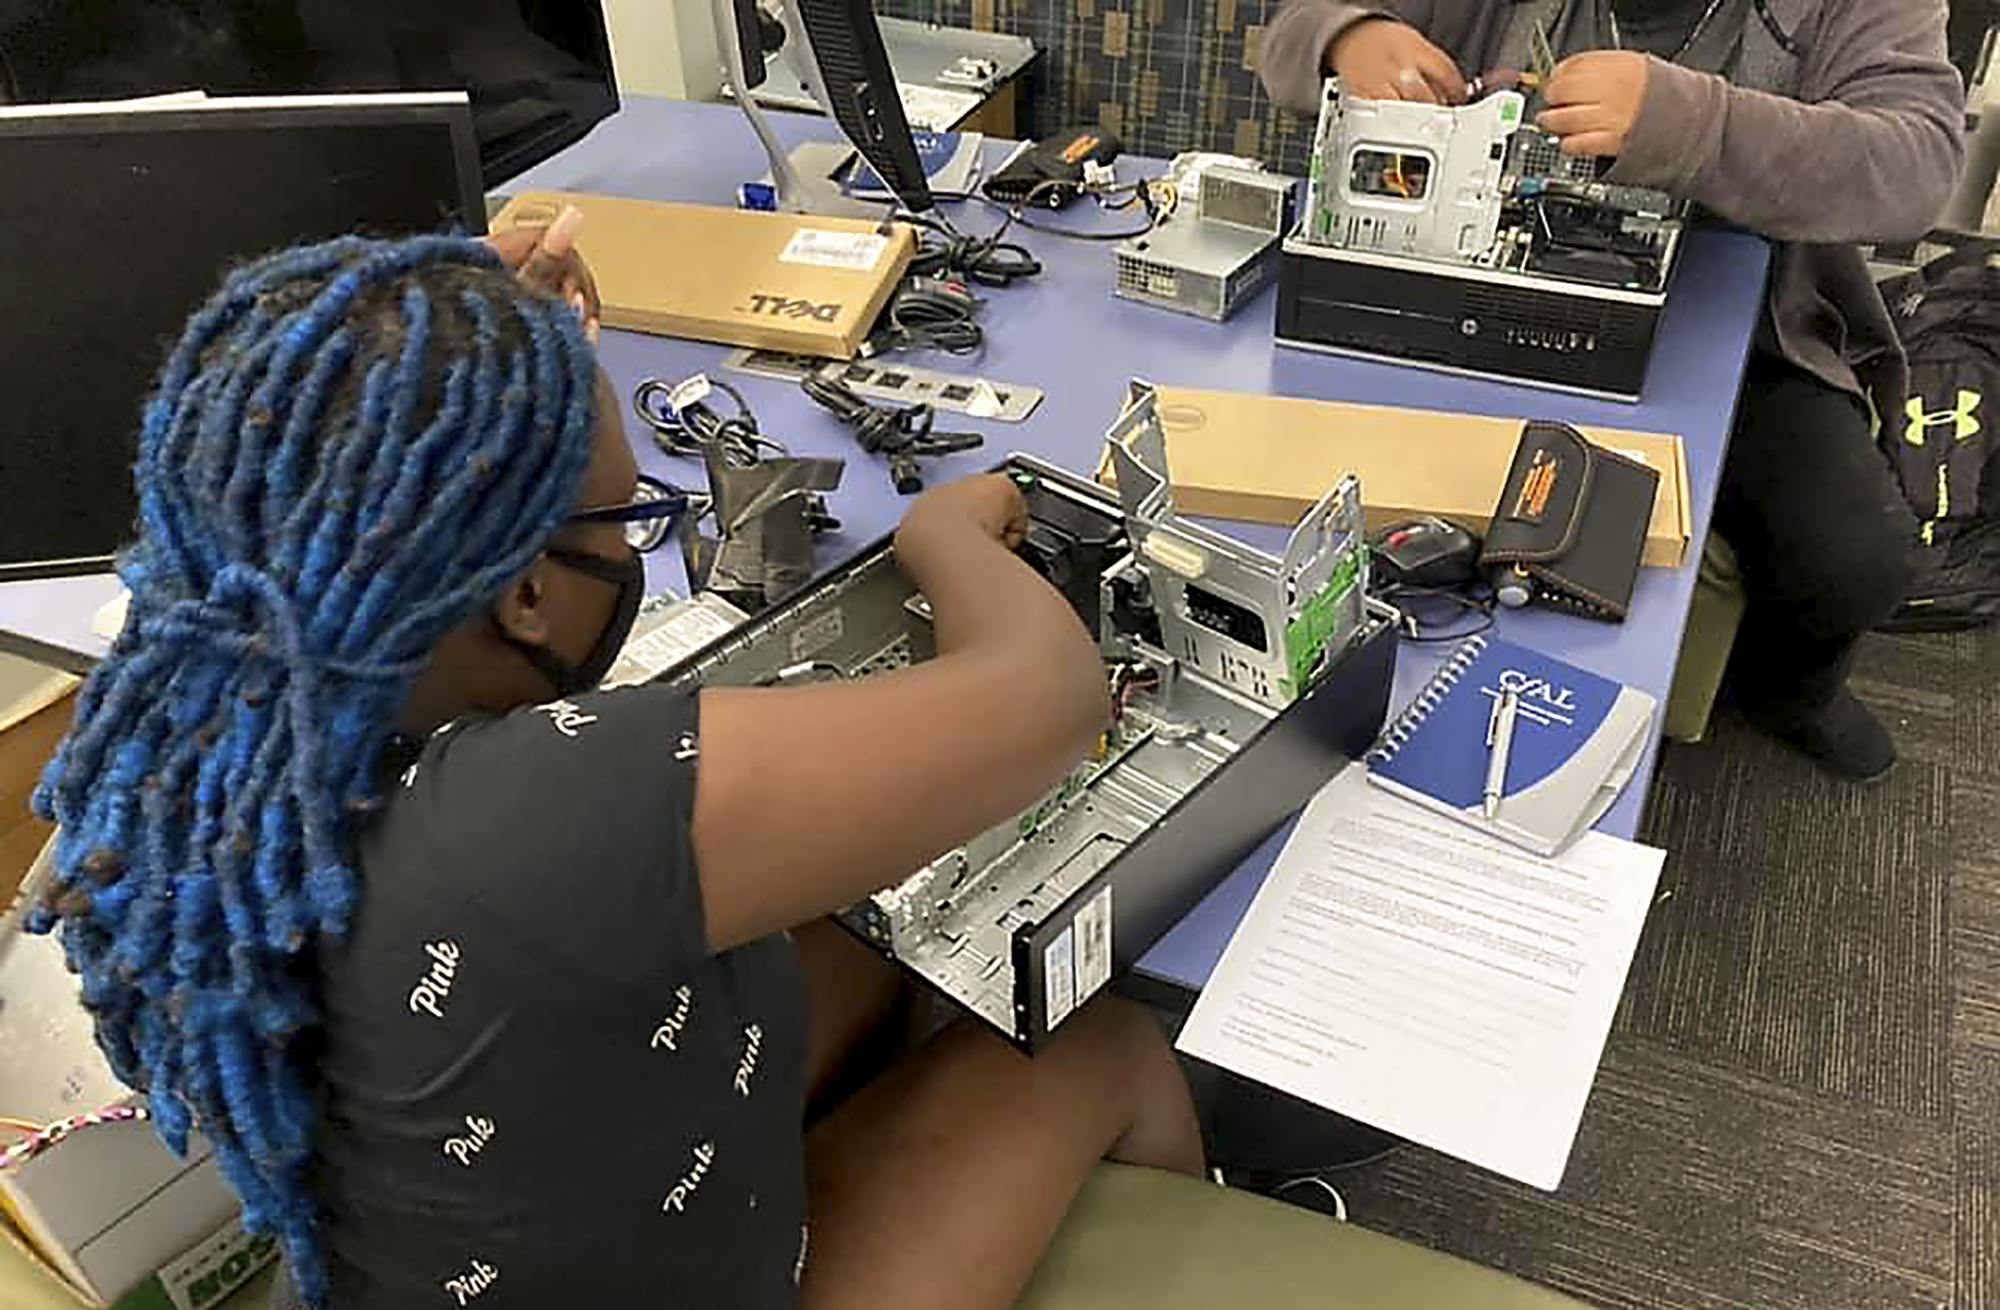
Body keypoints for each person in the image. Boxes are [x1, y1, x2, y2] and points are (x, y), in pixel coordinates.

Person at [28, 227, 1203, 1310]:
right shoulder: (543, 803)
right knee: (1104, 1043)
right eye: (624, 519)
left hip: (458, 1232)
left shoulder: (197, 714)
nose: (631, 537)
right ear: (529, 597)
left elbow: (343, 427)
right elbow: (1046, 705)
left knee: (856, 964)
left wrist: (461, 326)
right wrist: (942, 535)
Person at [1259, 0, 1966, 780]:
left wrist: (1689, 125)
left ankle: (1788, 692)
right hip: (1467, 290)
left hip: (1728, 322)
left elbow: (1919, 167)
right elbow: (1290, 34)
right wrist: (1347, 38)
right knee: (1301, 498)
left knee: (1857, 557)